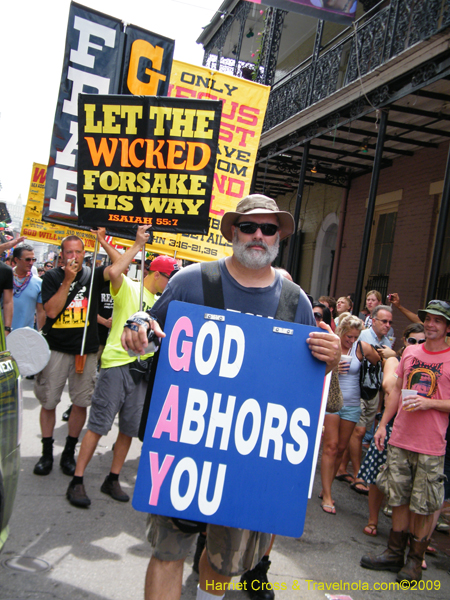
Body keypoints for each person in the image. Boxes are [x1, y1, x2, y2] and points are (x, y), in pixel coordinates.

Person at [121, 194, 341, 600]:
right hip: (184, 445)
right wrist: (136, 331)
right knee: (168, 551)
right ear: (233, 232)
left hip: (247, 454)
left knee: (223, 562)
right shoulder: (190, 281)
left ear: (279, 238)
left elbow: (306, 383)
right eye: (249, 227)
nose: (258, 235)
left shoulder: (297, 303)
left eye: (269, 228)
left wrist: (330, 360)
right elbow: (149, 330)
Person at [67, 228, 179, 508]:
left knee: (128, 428)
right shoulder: (129, 287)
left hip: (142, 373)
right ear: (156, 274)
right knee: (98, 424)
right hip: (117, 364)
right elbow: (117, 269)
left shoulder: (164, 304)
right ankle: (77, 479)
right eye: (169, 276)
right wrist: (134, 244)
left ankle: (112, 477)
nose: (171, 282)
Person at [361, 299, 450, 583]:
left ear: (447, 326)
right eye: (428, 318)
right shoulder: (410, 352)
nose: (431, 324)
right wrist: (382, 425)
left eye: (437, 320)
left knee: (423, 505)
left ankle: (414, 561)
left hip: (431, 443)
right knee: (397, 497)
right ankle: (393, 553)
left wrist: (430, 403)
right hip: (400, 438)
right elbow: (397, 391)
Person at [33, 230, 117, 477]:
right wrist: (67, 281)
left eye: (78, 252)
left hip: (85, 351)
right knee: (49, 402)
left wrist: (103, 241)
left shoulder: (93, 276)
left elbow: (119, 266)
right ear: (61, 255)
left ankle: (68, 452)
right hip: (56, 349)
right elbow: (50, 312)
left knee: (80, 403)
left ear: (84, 254)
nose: (73, 256)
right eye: (68, 252)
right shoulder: (51, 277)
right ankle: (47, 453)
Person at [358, 323, 425, 537]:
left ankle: (416, 535)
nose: (416, 345)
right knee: (378, 473)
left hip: (419, 429)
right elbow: (388, 385)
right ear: (405, 341)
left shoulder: (430, 365)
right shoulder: (396, 360)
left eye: (421, 342)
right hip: (392, 423)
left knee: (412, 482)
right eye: (412, 341)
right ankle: (373, 519)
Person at [320, 314, 379, 514]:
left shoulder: (362, 348)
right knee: (331, 446)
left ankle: (326, 485)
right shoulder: (333, 344)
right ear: (342, 331)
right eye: (349, 336)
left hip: (353, 403)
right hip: (332, 402)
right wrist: (334, 367)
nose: (351, 340)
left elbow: (378, 361)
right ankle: (327, 494)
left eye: (355, 337)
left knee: (341, 448)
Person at [336, 305, 395, 492]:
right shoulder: (360, 337)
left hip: (369, 393)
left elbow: (382, 363)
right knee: (357, 434)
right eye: (384, 321)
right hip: (348, 395)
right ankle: (358, 476)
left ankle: (341, 468)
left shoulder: (386, 342)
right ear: (374, 320)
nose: (387, 325)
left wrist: (390, 358)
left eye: (390, 322)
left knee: (350, 437)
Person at [11, 244, 46, 331]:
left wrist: (40, 334)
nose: (31, 263)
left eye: (33, 259)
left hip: (25, 336)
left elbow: (40, 312)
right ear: (16, 260)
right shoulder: (5, 278)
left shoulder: (38, 283)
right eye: (27, 259)